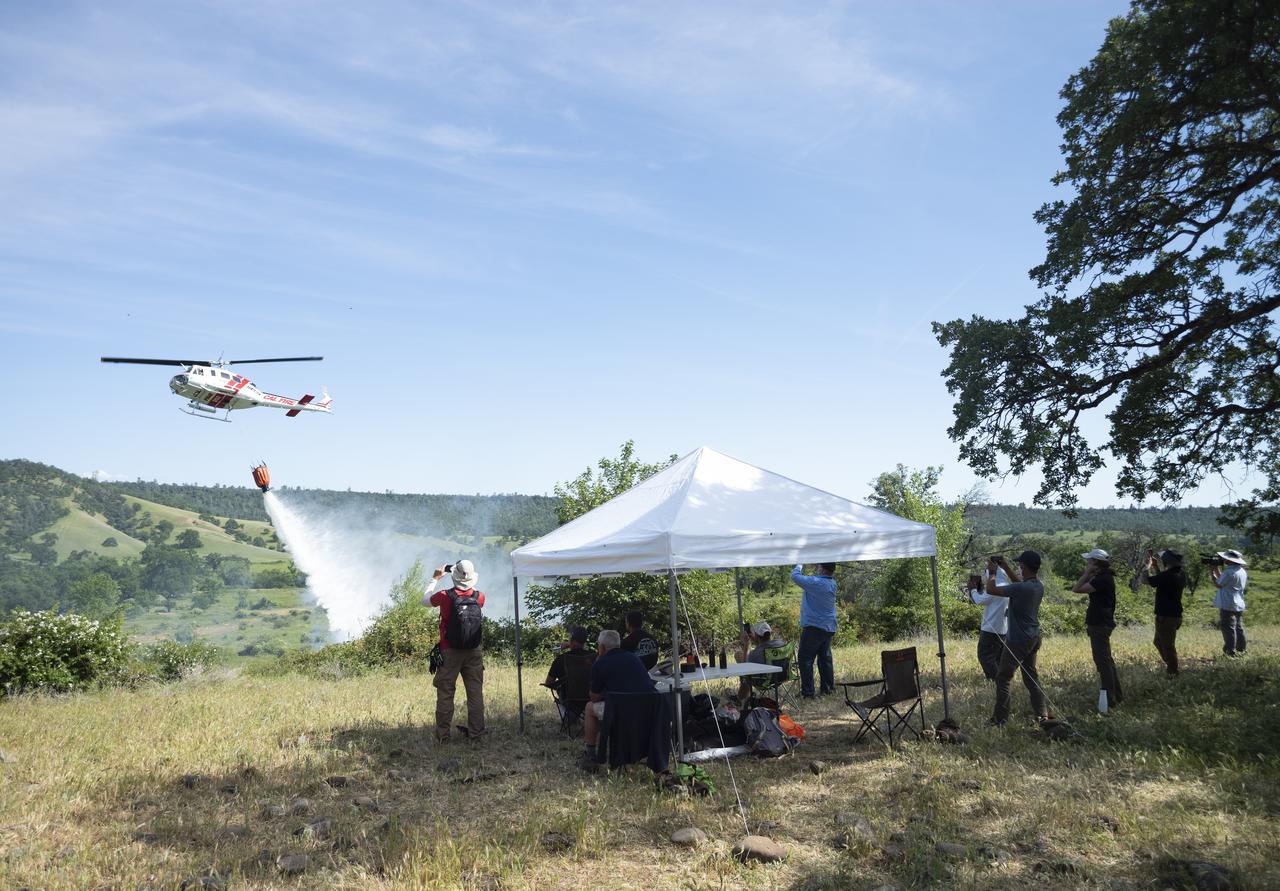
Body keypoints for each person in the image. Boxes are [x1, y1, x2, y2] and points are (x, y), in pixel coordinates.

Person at [422, 560, 485, 742]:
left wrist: (435, 579)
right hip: (474, 650)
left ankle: (443, 736)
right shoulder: (480, 596)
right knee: (475, 693)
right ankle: (476, 734)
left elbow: (425, 600)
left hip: (449, 650)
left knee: (445, 692)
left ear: (454, 576)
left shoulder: (444, 596)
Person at [986, 551, 1050, 727]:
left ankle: (1000, 719)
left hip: (1018, 641)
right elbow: (1019, 584)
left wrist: (992, 573)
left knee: (1003, 678)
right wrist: (1004, 566)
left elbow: (990, 589)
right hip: (1034, 637)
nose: (1019, 568)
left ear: (1023, 566)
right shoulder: (1037, 585)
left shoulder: (1022, 588)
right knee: (1031, 676)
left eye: (1020, 566)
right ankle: (1041, 714)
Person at [582, 629, 656, 767]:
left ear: (602, 647)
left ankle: (590, 754)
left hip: (621, 712)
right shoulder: (634, 658)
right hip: (648, 711)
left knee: (589, 708)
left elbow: (594, 698)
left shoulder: (601, 663)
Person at [1073, 548, 1123, 709]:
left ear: (1095, 563)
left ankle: (1110, 699)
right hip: (1102, 622)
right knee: (1106, 660)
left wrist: (1087, 573)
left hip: (1099, 624)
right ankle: (1117, 695)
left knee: (1102, 662)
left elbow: (1077, 589)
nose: (1087, 563)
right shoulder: (1104, 577)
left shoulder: (1101, 579)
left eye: (1089, 561)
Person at [793, 562, 838, 698]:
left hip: (814, 626)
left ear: (822, 569)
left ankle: (808, 692)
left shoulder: (816, 583)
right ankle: (828, 689)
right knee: (824, 658)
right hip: (828, 626)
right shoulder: (832, 583)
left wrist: (801, 563)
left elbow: (795, 576)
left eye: (819, 566)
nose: (817, 568)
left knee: (805, 659)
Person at [1143, 550, 1185, 675]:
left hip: (1166, 617)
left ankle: (1173, 671)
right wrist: (1155, 566)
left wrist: (1148, 566)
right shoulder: (1180, 574)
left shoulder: (1167, 575)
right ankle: (1171, 666)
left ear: (1167, 562)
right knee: (1159, 642)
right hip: (1174, 615)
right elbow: (1161, 580)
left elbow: (1146, 580)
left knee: (1168, 646)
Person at [968, 566, 1009, 681]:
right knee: (997, 657)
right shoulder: (1006, 586)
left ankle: (996, 681)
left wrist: (972, 590)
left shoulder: (995, 587)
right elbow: (988, 600)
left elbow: (980, 600)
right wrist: (979, 590)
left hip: (990, 629)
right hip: (1003, 628)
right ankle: (1002, 679)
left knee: (985, 656)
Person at [544, 626, 594, 716]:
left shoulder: (561, 659)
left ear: (571, 639)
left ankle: (568, 717)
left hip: (569, 699)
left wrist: (557, 656)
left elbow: (549, 683)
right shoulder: (593, 657)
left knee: (561, 689)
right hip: (591, 697)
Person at [734, 620, 789, 701]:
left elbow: (744, 668)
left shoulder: (755, 654)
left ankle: (740, 699)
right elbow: (765, 645)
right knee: (739, 655)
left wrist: (746, 645)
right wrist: (756, 640)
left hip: (765, 681)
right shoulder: (781, 643)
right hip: (783, 677)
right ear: (769, 633)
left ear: (756, 635)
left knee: (746, 676)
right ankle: (741, 698)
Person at [1212, 549, 1249, 657]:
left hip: (1228, 604)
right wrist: (1216, 569)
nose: (1223, 560)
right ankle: (1241, 649)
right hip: (1238, 602)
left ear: (1230, 560)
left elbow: (1218, 584)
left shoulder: (1229, 572)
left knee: (1228, 628)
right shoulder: (1241, 571)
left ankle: (1230, 652)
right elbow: (1223, 579)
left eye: (1225, 558)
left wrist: (1211, 572)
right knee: (1238, 627)